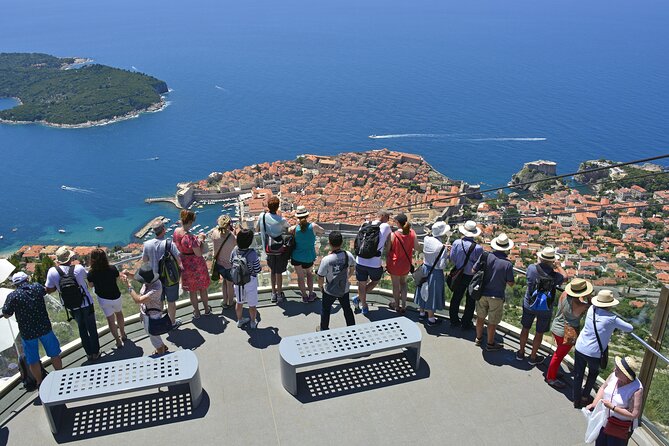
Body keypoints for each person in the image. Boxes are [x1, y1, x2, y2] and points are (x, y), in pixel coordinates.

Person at [573, 290, 634, 409]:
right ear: (610, 304)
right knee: (592, 374)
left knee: (578, 373)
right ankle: (585, 397)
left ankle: (576, 399)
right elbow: (629, 328)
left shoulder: (591, 310)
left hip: (580, 347)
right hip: (594, 353)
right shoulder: (612, 318)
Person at [2, 272, 62, 387]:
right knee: (54, 354)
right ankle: (60, 375)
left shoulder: (13, 296)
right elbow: (46, 290)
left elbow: (6, 313)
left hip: (28, 333)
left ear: (15, 284)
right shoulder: (36, 287)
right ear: (27, 279)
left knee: (33, 359)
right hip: (44, 327)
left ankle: (39, 382)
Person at [45, 246, 100, 361]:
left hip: (71, 306)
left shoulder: (52, 272)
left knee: (82, 328)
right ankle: (96, 352)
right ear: (70, 258)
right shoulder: (79, 268)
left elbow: (49, 289)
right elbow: (90, 278)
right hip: (86, 303)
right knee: (92, 328)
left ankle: (89, 354)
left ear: (58, 260)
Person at [516, 246, 566, 365]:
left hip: (529, 304)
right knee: (539, 333)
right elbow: (565, 277)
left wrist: (540, 263)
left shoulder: (531, 268)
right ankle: (533, 357)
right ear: (552, 260)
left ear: (540, 258)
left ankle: (521, 352)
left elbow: (531, 274)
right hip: (545, 307)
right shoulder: (555, 276)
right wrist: (558, 266)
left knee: (525, 328)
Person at [545, 278, 592, 389]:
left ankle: (553, 372)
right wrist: (589, 296)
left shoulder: (565, 294)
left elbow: (577, 298)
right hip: (566, 333)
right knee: (559, 355)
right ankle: (551, 378)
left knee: (558, 353)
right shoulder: (581, 306)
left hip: (557, 326)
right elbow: (590, 304)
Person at [586, 356, 643, 446]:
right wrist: (594, 403)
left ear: (625, 375)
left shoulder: (636, 389)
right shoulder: (614, 376)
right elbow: (603, 388)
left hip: (619, 427)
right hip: (604, 420)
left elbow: (634, 414)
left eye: (617, 369)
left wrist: (613, 407)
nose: (614, 370)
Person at [473, 233, 515, 351]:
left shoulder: (485, 256)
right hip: (496, 296)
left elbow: (473, 269)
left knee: (480, 317)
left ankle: (478, 338)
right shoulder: (507, 264)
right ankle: (490, 344)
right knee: (492, 321)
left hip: (481, 293)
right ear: (507, 248)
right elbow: (511, 283)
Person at [142, 220, 183, 328]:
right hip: (170, 278)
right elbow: (179, 260)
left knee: (159, 301)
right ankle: (172, 322)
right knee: (171, 302)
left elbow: (145, 260)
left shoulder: (147, 244)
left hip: (154, 279)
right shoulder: (169, 244)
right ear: (164, 230)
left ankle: (159, 323)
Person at [120, 264, 169, 355]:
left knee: (153, 336)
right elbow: (137, 278)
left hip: (152, 316)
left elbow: (137, 300)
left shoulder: (155, 289)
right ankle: (161, 346)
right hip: (148, 313)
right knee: (154, 335)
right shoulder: (150, 280)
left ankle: (161, 354)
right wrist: (128, 274)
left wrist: (129, 286)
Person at [352, 210, 392, 315]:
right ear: (383, 216)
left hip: (360, 260)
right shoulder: (386, 227)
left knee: (361, 284)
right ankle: (358, 298)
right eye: (388, 217)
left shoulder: (365, 224)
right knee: (375, 281)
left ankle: (364, 306)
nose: (388, 220)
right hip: (374, 262)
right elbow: (389, 243)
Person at [174, 210, 211, 318]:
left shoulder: (176, 232)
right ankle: (206, 309)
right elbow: (198, 253)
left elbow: (176, 246)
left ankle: (197, 312)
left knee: (192, 290)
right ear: (190, 222)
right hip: (196, 264)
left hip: (184, 264)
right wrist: (200, 240)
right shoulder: (190, 238)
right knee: (202, 289)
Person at [448, 220, 483, 330]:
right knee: (470, 300)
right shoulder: (478, 248)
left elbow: (452, 258)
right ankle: (466, 322)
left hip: (459, 274)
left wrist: (460, 264)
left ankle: (453, 320)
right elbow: (479, 264)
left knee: (456, 297)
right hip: (471, 276)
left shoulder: (457, 243)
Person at [317, 231, 356, 331]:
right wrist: (346, 278)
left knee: (326, 310)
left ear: (329, 243)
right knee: (347, 309)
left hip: (330, 289)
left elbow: (320, 277)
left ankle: (324, 329)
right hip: (344, 288)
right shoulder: (348, 255)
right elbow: (352, 268)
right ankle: (352, 329)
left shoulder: (327, 260)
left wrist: (321, 287)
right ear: (342, 242)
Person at [87, 248, 126, 348]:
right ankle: (123, 334)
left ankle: (117, 340)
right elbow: (117, 278)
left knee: (110, 320)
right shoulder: (112, 268)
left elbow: (91, 285)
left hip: (103, 299)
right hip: (116, 295)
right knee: (119, 313)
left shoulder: (91, 273)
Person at [255, 196, 289, 303]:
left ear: (268, 206)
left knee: (272, 271)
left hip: (268, 249)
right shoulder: (281, 219)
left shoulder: (262, 216)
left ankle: (273, 293)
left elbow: (256, 229)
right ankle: (279, 294)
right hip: (279, 250)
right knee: (279, 272)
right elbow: (287, 229)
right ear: (278, 207)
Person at [415, 221, 450, 326]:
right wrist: (446, 253)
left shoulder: (427, 239)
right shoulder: (441, 248)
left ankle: (421, 313)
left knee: (423, 289)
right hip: (435, 272)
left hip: (425, 268)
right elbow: (442, 265)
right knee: (432, 293)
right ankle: (431, 319)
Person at [289, 206, 324, 303]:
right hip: (308, 256)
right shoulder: (313, 226)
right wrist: (316, 234)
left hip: (296, 256)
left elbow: (288, 230)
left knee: (300, 277)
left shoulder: (295, 228)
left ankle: (304, 296)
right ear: (307, 215)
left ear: (297, 217)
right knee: (309, 274)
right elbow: (323, 231)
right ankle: (311, 294)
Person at [386, 213, 419, 314]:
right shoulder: (412, 233)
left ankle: (396, 306)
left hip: (394, 264)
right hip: (406, 264)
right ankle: (404, 305)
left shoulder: (393, 235)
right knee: (403, 284)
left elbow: (387, 250)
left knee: (395, 286)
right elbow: (417, 247)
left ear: (398, 223)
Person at [232, 229, 262, 329]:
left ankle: (240, 321)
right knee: (252, 304)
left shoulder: (234, 250)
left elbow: (231, 262)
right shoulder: (252, 254)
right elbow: (257, 269)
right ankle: (253, 322)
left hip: (238, 281)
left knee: (239, 302)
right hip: (250, 281)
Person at [210, 215, 237, 309]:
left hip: (219, 263)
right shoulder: (232, 236)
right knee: (230, 284)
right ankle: (230, 302)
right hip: (229, 264)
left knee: (224, 282)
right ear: (229, 224)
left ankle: (225, 301)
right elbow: (235, 247)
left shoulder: (214, 233)